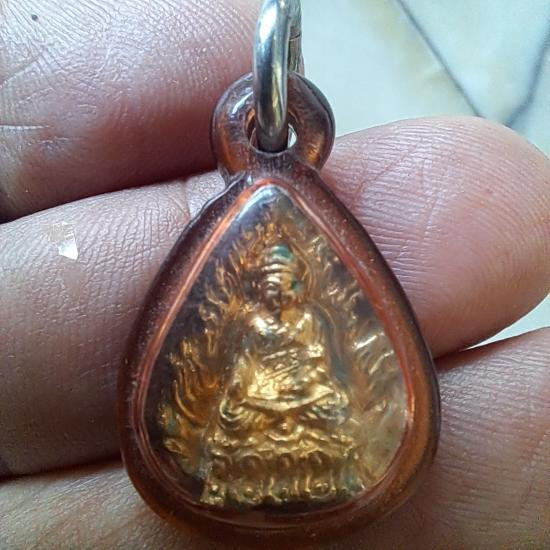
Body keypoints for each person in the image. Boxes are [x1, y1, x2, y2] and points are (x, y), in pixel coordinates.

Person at [0, 1, 548, 547]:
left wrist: (305, 388)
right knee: (231, 417)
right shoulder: (248, 320)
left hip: (305, 411)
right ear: (254, 284)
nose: (275, 289)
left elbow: (326, 369)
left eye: (285, 281)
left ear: (301, 282)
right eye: (267, 282)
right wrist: (256, 392)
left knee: (332, 411)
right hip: (256, 412)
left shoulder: (311, 318)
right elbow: (236, 376)